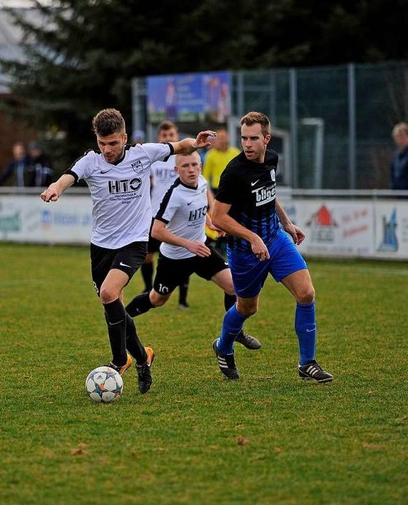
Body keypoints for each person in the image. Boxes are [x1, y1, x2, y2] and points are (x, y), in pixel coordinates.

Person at [40, 108, 213, 394]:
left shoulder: (142, 154)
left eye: (113, 143)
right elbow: (68, 176)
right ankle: (143, 359)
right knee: (113, 304)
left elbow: (178, 146)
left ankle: (120, 359)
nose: (107, 150)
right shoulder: (91, 162)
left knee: (109, 294)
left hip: (134, 242)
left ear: (125, 138)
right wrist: (56, 187)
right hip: (101, 246)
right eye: (102, 143)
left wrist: (196, 142)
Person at [211, 111, 333, 383]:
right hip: (244, 252)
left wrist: (287, 223)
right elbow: (218, 217)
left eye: (254, 138)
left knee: (306, 293)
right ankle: (223, 346)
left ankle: (307, 363)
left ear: (267, 138)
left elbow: (269, 193)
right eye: (244, 138)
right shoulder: (234, 172)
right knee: (247, 308)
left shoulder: (272, 159)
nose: (248, 144)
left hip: (276, 240)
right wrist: (252, 238)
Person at [125, 151, 262, 351]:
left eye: (194, 165)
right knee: (157, 299)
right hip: (174, 258)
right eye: (185, 166)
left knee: (234, 287)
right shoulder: (174, 195)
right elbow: (157, 231)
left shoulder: (203, 182)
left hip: (201, 251)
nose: (191, 169)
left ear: (200, 166)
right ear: (176, 170)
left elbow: (205, 207)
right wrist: (186, 243)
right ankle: (121, 320)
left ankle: (235, 333)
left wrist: (210, 221)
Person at [141, 120, 192, 309]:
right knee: (147, 255)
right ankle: (148, 289)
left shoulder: (184, 158)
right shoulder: (154, 159)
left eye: (171, 135)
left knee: (183, 256)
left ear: (176, 136)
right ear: (159, 138)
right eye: (164, 136)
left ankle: (182, 299)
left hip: (179, 216)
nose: (168, 138)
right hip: (155, 215)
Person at [202, 127, 240, 195]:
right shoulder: (210, 155)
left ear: (228, 138)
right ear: (216, 139)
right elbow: (206, 175)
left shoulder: (236, 153)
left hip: (234, 187)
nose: (222, 141)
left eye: (223, 138)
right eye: (220, 138)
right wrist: (207, 192)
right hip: (217, 188)